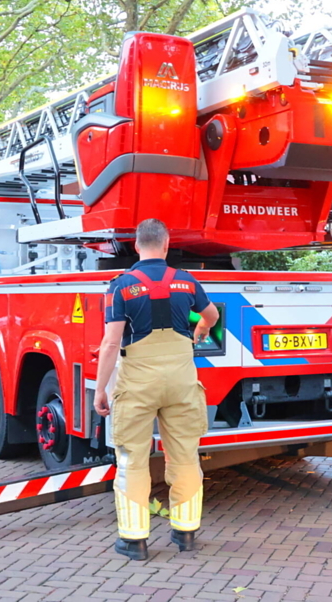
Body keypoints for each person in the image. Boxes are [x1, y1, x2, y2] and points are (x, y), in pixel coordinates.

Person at [94, 219, 220, 561]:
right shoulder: (187, 280)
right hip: (181, 382)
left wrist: (101, 389)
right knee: (185, 455)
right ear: (166, 245)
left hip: (138, 384)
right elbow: (210, 316)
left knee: (132, 459)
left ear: (137, 246)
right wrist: (200, 330)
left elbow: (111, 342)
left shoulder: (121, 286)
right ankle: (186, 532)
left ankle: (134, 540)